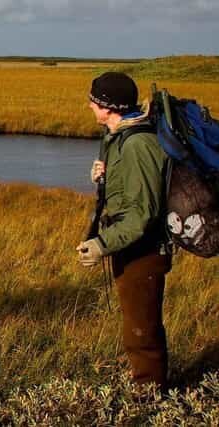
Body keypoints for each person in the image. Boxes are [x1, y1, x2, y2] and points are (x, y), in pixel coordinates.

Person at [77, 72, 171, 389]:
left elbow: (143, 214)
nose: (88, 104)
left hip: (144, 249)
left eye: (93, 99)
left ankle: (150, 397)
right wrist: (103, 179)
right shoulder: (118, 138)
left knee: (141, 329)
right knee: (136, 322)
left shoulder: (137, 145)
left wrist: (102, 244)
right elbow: (127, 195)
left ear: (108, 106)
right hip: (130, 246)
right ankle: (143, 382)